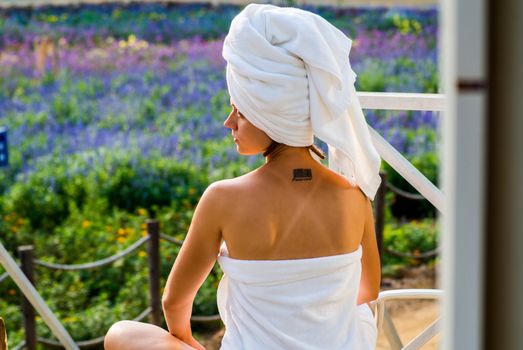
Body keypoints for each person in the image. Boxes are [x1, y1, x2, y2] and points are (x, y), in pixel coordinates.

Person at [104, 3, 381, 350]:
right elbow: (368, 291)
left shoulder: (223, 198)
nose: (229, 122)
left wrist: (189, 341)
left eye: (241, 111)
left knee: (120, 334)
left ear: (272, 117)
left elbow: (174, 303)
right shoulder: (354, 195)